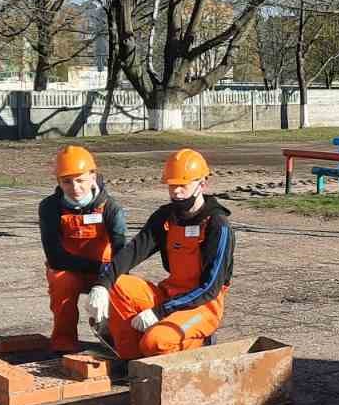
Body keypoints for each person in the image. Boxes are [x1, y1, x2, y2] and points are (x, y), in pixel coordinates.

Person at [87, 148, 233, 360]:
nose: (176, 192)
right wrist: (102, 284)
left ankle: (201, 341)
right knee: (117, 284)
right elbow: (133, 251)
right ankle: (131, 360)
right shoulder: (165, 217)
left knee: (155, 342)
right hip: (169, 295)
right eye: (172, 186)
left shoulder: (218, 226)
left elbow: (210, 288)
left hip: (202, 306)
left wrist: (159, 312)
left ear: (202, 184)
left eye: (183, 186)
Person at [38, 145, 128, 352]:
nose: (75, 188)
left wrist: (106, 280)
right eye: (66, 182)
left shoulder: (111, 208)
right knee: (63, 282)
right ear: (58, 182)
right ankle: (64, 341)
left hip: (106, 269)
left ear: (93, 176)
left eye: (80, 180)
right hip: (69, 269)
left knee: (124, 285)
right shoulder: (50, 207)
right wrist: (98, 268)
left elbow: (122, 251)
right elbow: (55, 257)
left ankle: (116, 335)